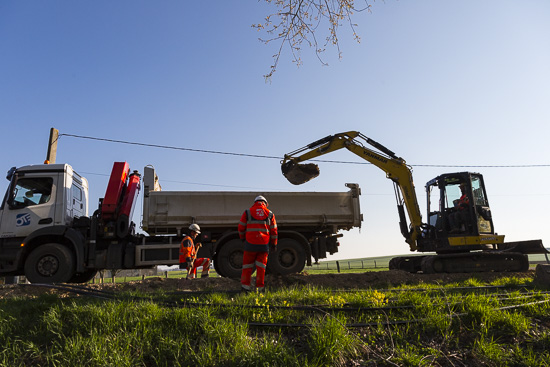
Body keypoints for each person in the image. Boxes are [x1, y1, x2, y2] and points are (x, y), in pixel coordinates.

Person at [238, 195, 278, 292]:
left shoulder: (247, 212)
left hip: (250, 244)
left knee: (247, 267)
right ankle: (260, 289)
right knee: (261, 267)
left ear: (255, 202)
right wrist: (274, 244)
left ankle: (245, 288)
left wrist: (243, 239)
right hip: (263, 246)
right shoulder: (270, 214)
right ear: (265, 203)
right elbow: (274, 231)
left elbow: (241, 227)